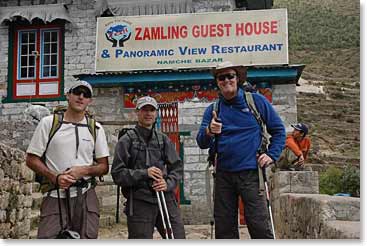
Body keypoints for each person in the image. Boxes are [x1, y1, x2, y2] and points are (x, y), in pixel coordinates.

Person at [196, 61, 286, 239]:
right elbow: (201, 142)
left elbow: (278, 130)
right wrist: (209, 131)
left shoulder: (256, 102)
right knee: (224, 227)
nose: (226, 80)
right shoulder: (213, 110)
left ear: (238, 79)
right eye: (221, 77)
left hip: (251, 173)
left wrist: (271, 155)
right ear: (217, 82)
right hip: (223, 175)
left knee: (258, 224)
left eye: (230, 76)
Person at [26, 80, 109, 239]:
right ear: (68, 96)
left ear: (90, 101)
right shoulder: (49, 123)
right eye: (77, 92)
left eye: (86, 95)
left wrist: (84, 170)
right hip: (55, 194)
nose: (81, 97)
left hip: (85, 195)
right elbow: (31, 159)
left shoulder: (96, 128)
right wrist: (55, 177)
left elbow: (104, 166)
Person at [111, 96, 185, 239]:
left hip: (165, 198)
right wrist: (145, 173)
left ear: (156, 113)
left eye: (152, 110)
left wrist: (167, 183)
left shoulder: (163, 139)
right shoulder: (126, 140)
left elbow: (176, 167)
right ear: (137, 112)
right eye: (144, 109)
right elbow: (117, 174)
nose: (148, 113)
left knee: (177, 238)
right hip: (140, 201)